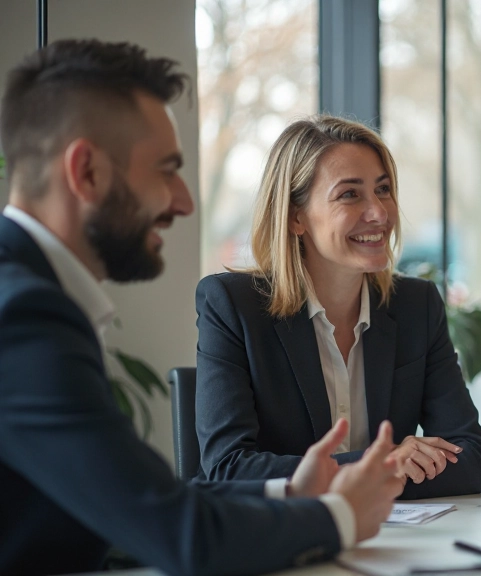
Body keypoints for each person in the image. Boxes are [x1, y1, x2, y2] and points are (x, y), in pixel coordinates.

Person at [0, 40, 406, 576]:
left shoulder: (28, 297)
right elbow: (180, 534)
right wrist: (341, 516)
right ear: (87, 172)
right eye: (165, 170)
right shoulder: (23, 316)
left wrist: (291, 492)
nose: (183, 201)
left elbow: (132, 508)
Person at [193, 115, 481, 499]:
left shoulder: (417, 306)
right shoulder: (233, 305)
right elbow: (227, 468)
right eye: (350, 195)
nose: (380, 213)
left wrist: (368, 476)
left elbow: (471, 460)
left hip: (393, 544)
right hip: (280, 545)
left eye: (383, 190)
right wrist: (378, 466)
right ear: (296, 216)